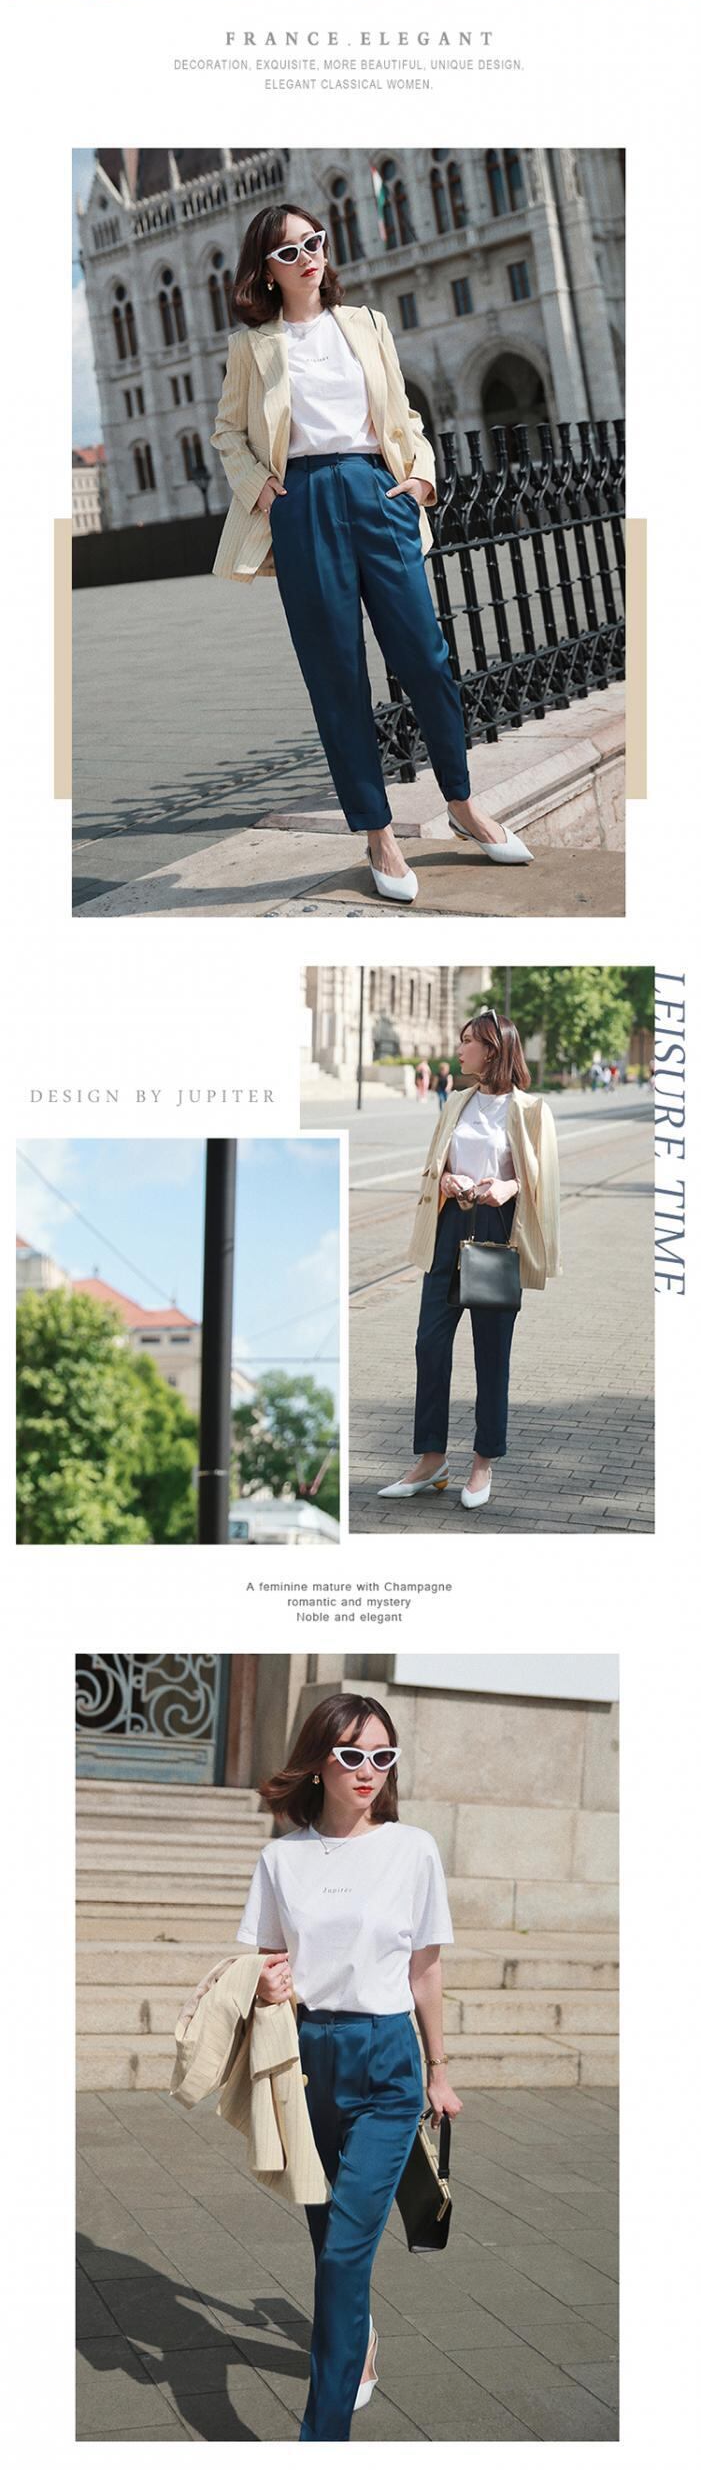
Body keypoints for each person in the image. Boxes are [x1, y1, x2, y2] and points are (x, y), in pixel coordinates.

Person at [212, 199, 532, 898]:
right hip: (302, 501)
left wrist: (420, 478)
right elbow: (228, 432)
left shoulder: (366, 323)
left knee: (426, 657)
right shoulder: (252, 347)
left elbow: (403, 414)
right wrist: (263, 491)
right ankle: (378, 834)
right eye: (289, 251)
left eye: (314, 242)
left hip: (376, 489)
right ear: (265, 272)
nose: (308, 257)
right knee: (336, 675)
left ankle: (461, 803)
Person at [238, 1692, 460, 2440]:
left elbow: (424, 1969)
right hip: (306, 2061)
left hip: (386, 2060)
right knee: (327, 2237)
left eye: (383, 1756)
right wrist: (267, 1984)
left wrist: (438, 2070)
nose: (369, 1770)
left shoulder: (412, 1849)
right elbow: (269, 1958)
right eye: (352, 1754)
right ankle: (356, 2338)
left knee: (340, 2257)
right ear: (318, 1761)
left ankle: (321, 2436)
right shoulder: (282, 1857)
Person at [379, 1006, 560, 1510]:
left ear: (493, 1050)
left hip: (499, 1232)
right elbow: (434, 1165)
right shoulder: (456, 1103)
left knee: (491, 1353)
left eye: (468, 1041)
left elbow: (545, 1183)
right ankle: (431, 1458)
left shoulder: (531, 1110)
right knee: (429, 1344)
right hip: (449, 1228)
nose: (459, 1049)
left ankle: (483, 1463)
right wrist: (446, 1179)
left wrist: (510, 1186)